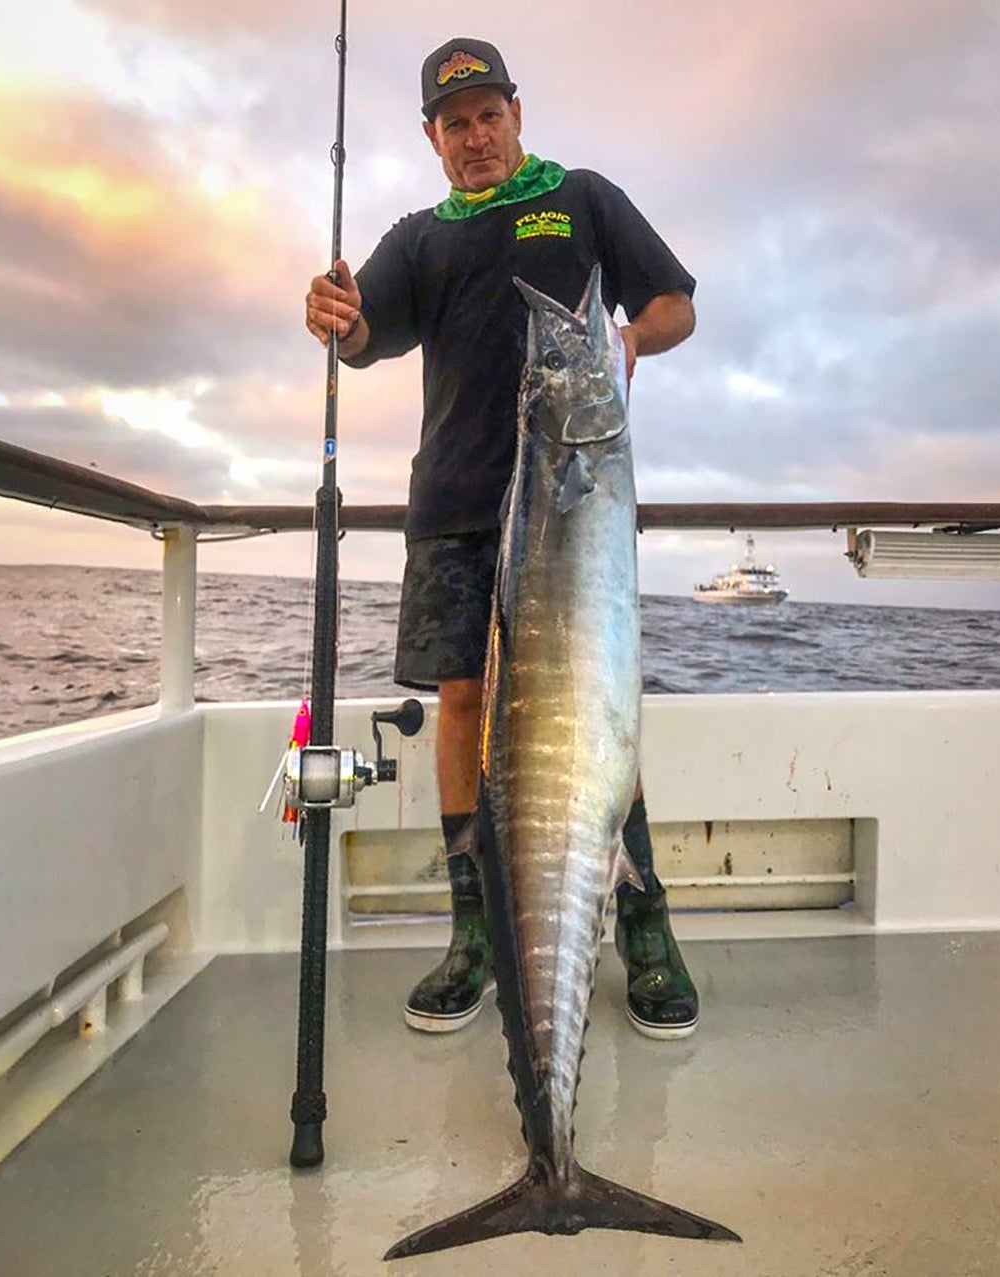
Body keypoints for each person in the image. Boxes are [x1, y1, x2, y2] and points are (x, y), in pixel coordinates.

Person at [305, 38, 699, 1040]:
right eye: (455, 121)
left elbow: (673, 304)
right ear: (431, 136)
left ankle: (644, 924)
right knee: (463, 705)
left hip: (569, 501)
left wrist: (631, 339)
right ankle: (474, 932)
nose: (475, 136)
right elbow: (364, 335)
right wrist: (337, 316)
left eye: (489, 114)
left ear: (517, 113)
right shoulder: (421, 236)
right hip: (456, 505)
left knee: (590, 709)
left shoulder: (580, 196)